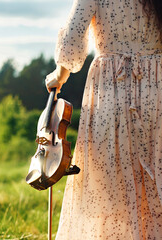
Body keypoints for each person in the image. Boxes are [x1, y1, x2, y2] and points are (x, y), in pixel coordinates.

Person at [45, 0, 162, 239]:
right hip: (156, 85)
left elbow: (75, 33)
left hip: (111, 87)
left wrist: (59, 74)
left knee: (109, 177)